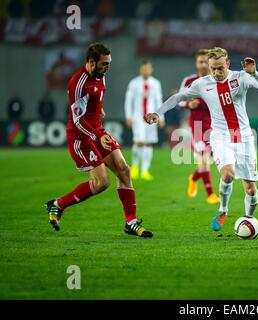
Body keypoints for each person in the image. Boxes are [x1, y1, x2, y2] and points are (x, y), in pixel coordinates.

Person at [145, 47, 258, 232]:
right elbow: (178, 97)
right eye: (213, 68)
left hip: (242, 136)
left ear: (227, 63)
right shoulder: (202, 83)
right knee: (228, 174)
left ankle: (248, 219)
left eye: (220, 68)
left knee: (250, 189)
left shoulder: (240, 77)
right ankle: (223, 210)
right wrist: (158, 112)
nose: (216, 72)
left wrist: (255, 73)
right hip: (219, 135)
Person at [45, 43, 153, 238]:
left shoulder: (100, 75)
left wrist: (98, 110)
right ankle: (58, 204)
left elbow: (94, 100)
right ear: (91, 62)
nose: (107, 67)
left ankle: (131, 222)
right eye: (104, 64)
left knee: (123, 169)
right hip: (81, 136)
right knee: (102, 182)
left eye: (109, 63)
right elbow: (78, 120)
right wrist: (97, 135)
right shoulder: (78, 83)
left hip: (97, 131)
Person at [179, 49, 220, 205]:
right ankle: (211, 194)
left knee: (209, 159)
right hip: (196, 126)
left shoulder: (216, 80)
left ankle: (194, 177)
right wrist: (189, 103)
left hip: (214, 125)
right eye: (200, 61)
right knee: (204, 157)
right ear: (196, 63)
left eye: (205, 61)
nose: (203, 64)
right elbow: (180, 100)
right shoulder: (189, 81)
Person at [125, 60, 165, 181]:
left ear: (151, 70)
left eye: (148, 68)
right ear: (140, 69)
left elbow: (159, 101)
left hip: (151, 118)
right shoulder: (134, 83)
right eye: (143, 68)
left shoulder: (156, 83)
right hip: (138, 117)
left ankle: (145, 171)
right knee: (139, 141)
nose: (145, 71)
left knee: (148, 143)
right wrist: (129, 117)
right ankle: (135, 167)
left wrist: (161, 117)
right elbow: (128, 101)